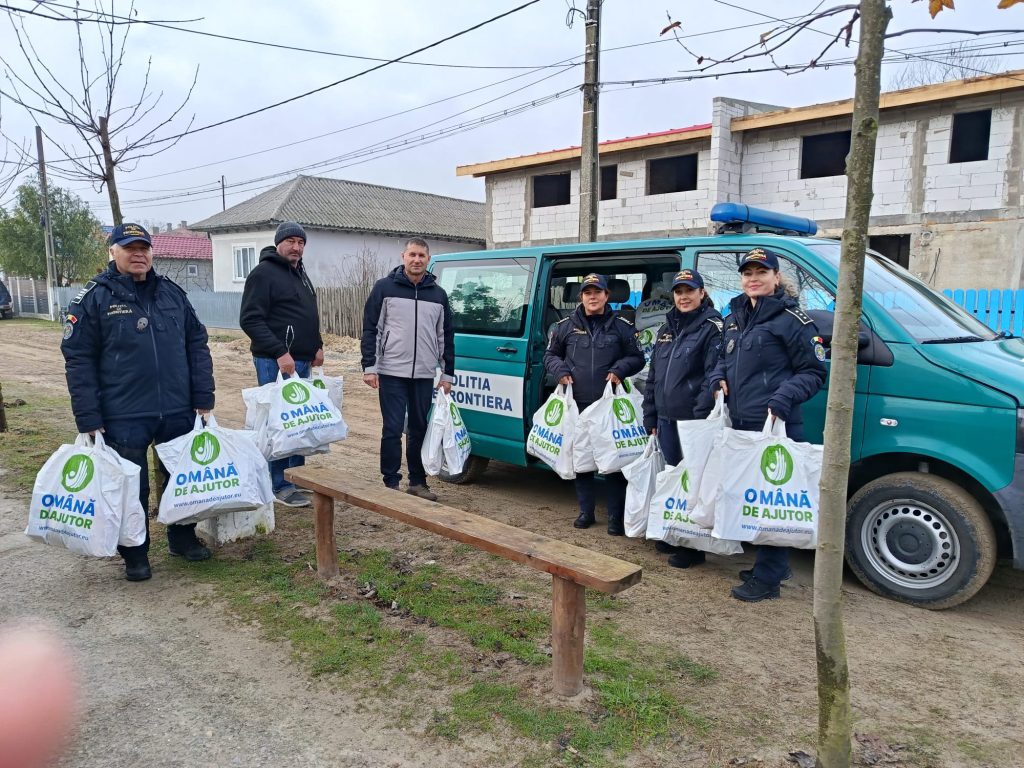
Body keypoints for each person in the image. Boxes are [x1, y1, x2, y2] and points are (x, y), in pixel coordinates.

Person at [61, 222, 215, 581]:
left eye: (143, 248)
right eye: (130, 248)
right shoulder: (93, 299)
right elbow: (78, 360)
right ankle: (135, 553)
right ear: (112, 252)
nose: (138, 254)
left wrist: (203, 396)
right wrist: (88, 417)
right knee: (131, 488)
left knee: (183, 479)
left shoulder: (172, 294)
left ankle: (182, 538)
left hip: (177, 407)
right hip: (123, 412)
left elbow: (197, 343)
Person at [709, 247, 827, 602]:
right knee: (752, 497)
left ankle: (768, 579)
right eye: (748, 273)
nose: (754, 278)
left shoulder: (794, 321)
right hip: (742, 422)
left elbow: (814, 372)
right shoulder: (735, 317)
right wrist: (717, 377)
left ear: (776, 277)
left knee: (773, 499)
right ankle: (774, 565)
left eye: (761, 272)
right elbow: (723, 357)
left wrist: (784, 396)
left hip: (777, 422)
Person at [544, 273, 645, 534]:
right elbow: (550, 355)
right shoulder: (564, 326)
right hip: (577, 404)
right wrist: (559, 370)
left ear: (606, 296)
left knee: (613, 462)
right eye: (587, 293)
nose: (592, 297)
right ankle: (586, 512)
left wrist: (620, 369)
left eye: (597, 292)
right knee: (582, 462)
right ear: (581, 297)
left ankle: (615, 518)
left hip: (608, 407)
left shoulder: (622, 326)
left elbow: (638, 358)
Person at [641, 269, 724, 568]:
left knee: (694, 484)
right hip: (665, 418)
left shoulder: (713, 328)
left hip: (693, 421)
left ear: (702, 293)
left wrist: (699, 417)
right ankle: (674, 531)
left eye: (690, 291)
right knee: (672, 478)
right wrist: (650, 413)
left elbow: (712, 376)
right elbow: (654, 376)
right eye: (679, 292)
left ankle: (693, 546)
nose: (684, 297)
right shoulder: (667, 328)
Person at [360, 237, 454, 501]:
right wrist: (370, 366)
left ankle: (417, 482)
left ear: (428, 259)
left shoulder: (438, 295)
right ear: (403, 257)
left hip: (423, 374)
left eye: (421, 256)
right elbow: (371, 328)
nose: (416, 260)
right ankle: (390, 482)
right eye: (412, 254)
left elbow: (445, 336)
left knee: (419, 428)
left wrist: (447, 373)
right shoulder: (384, 288)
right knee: (392, 429)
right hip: (391, 371)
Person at [239, 221, 324, 508]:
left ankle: (295, 477)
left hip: (301, 359)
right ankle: (279, 484)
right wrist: (279, 352)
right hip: (275, 361)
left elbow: (307, 313)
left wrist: (317, 345)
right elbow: (250, 319)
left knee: (299, 422)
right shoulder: (263, 274)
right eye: (290, 242)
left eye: (301, 243)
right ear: (278, 243)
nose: (296, 247)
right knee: (279, 422)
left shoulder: (300, 273)